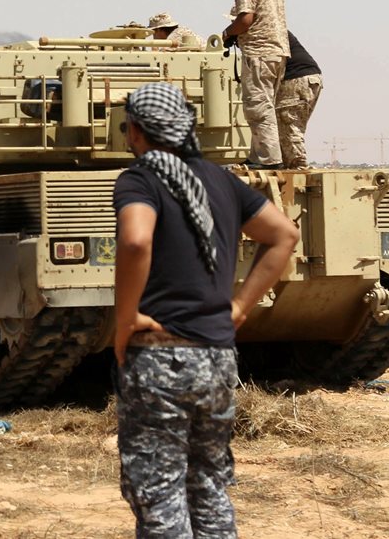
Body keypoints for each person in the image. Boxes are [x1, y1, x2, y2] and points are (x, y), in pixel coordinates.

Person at [113, 82, 299, 538]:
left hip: (161, 357)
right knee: (209, 485)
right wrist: (239, 305)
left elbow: (136, 240)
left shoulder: (142, 178)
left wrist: (125, 319)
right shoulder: (221, 180)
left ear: (136, 131)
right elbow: (284, 235)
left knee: (159, 493)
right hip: (217, 358)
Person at [223, 0, 290, 170]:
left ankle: (269, 160)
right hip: (278, 51)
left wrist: (227, 33)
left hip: (259, 52)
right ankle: (257, 155)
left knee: (258, 107)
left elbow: (245, 20)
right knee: (265, 104)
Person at [276, 32, 323, 169]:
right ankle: (295, 163)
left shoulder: (265, 31)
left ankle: (297, 166)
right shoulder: (276, 27)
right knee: (294, 126)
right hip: (310, 79)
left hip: (296, 78)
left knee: (288, 124)